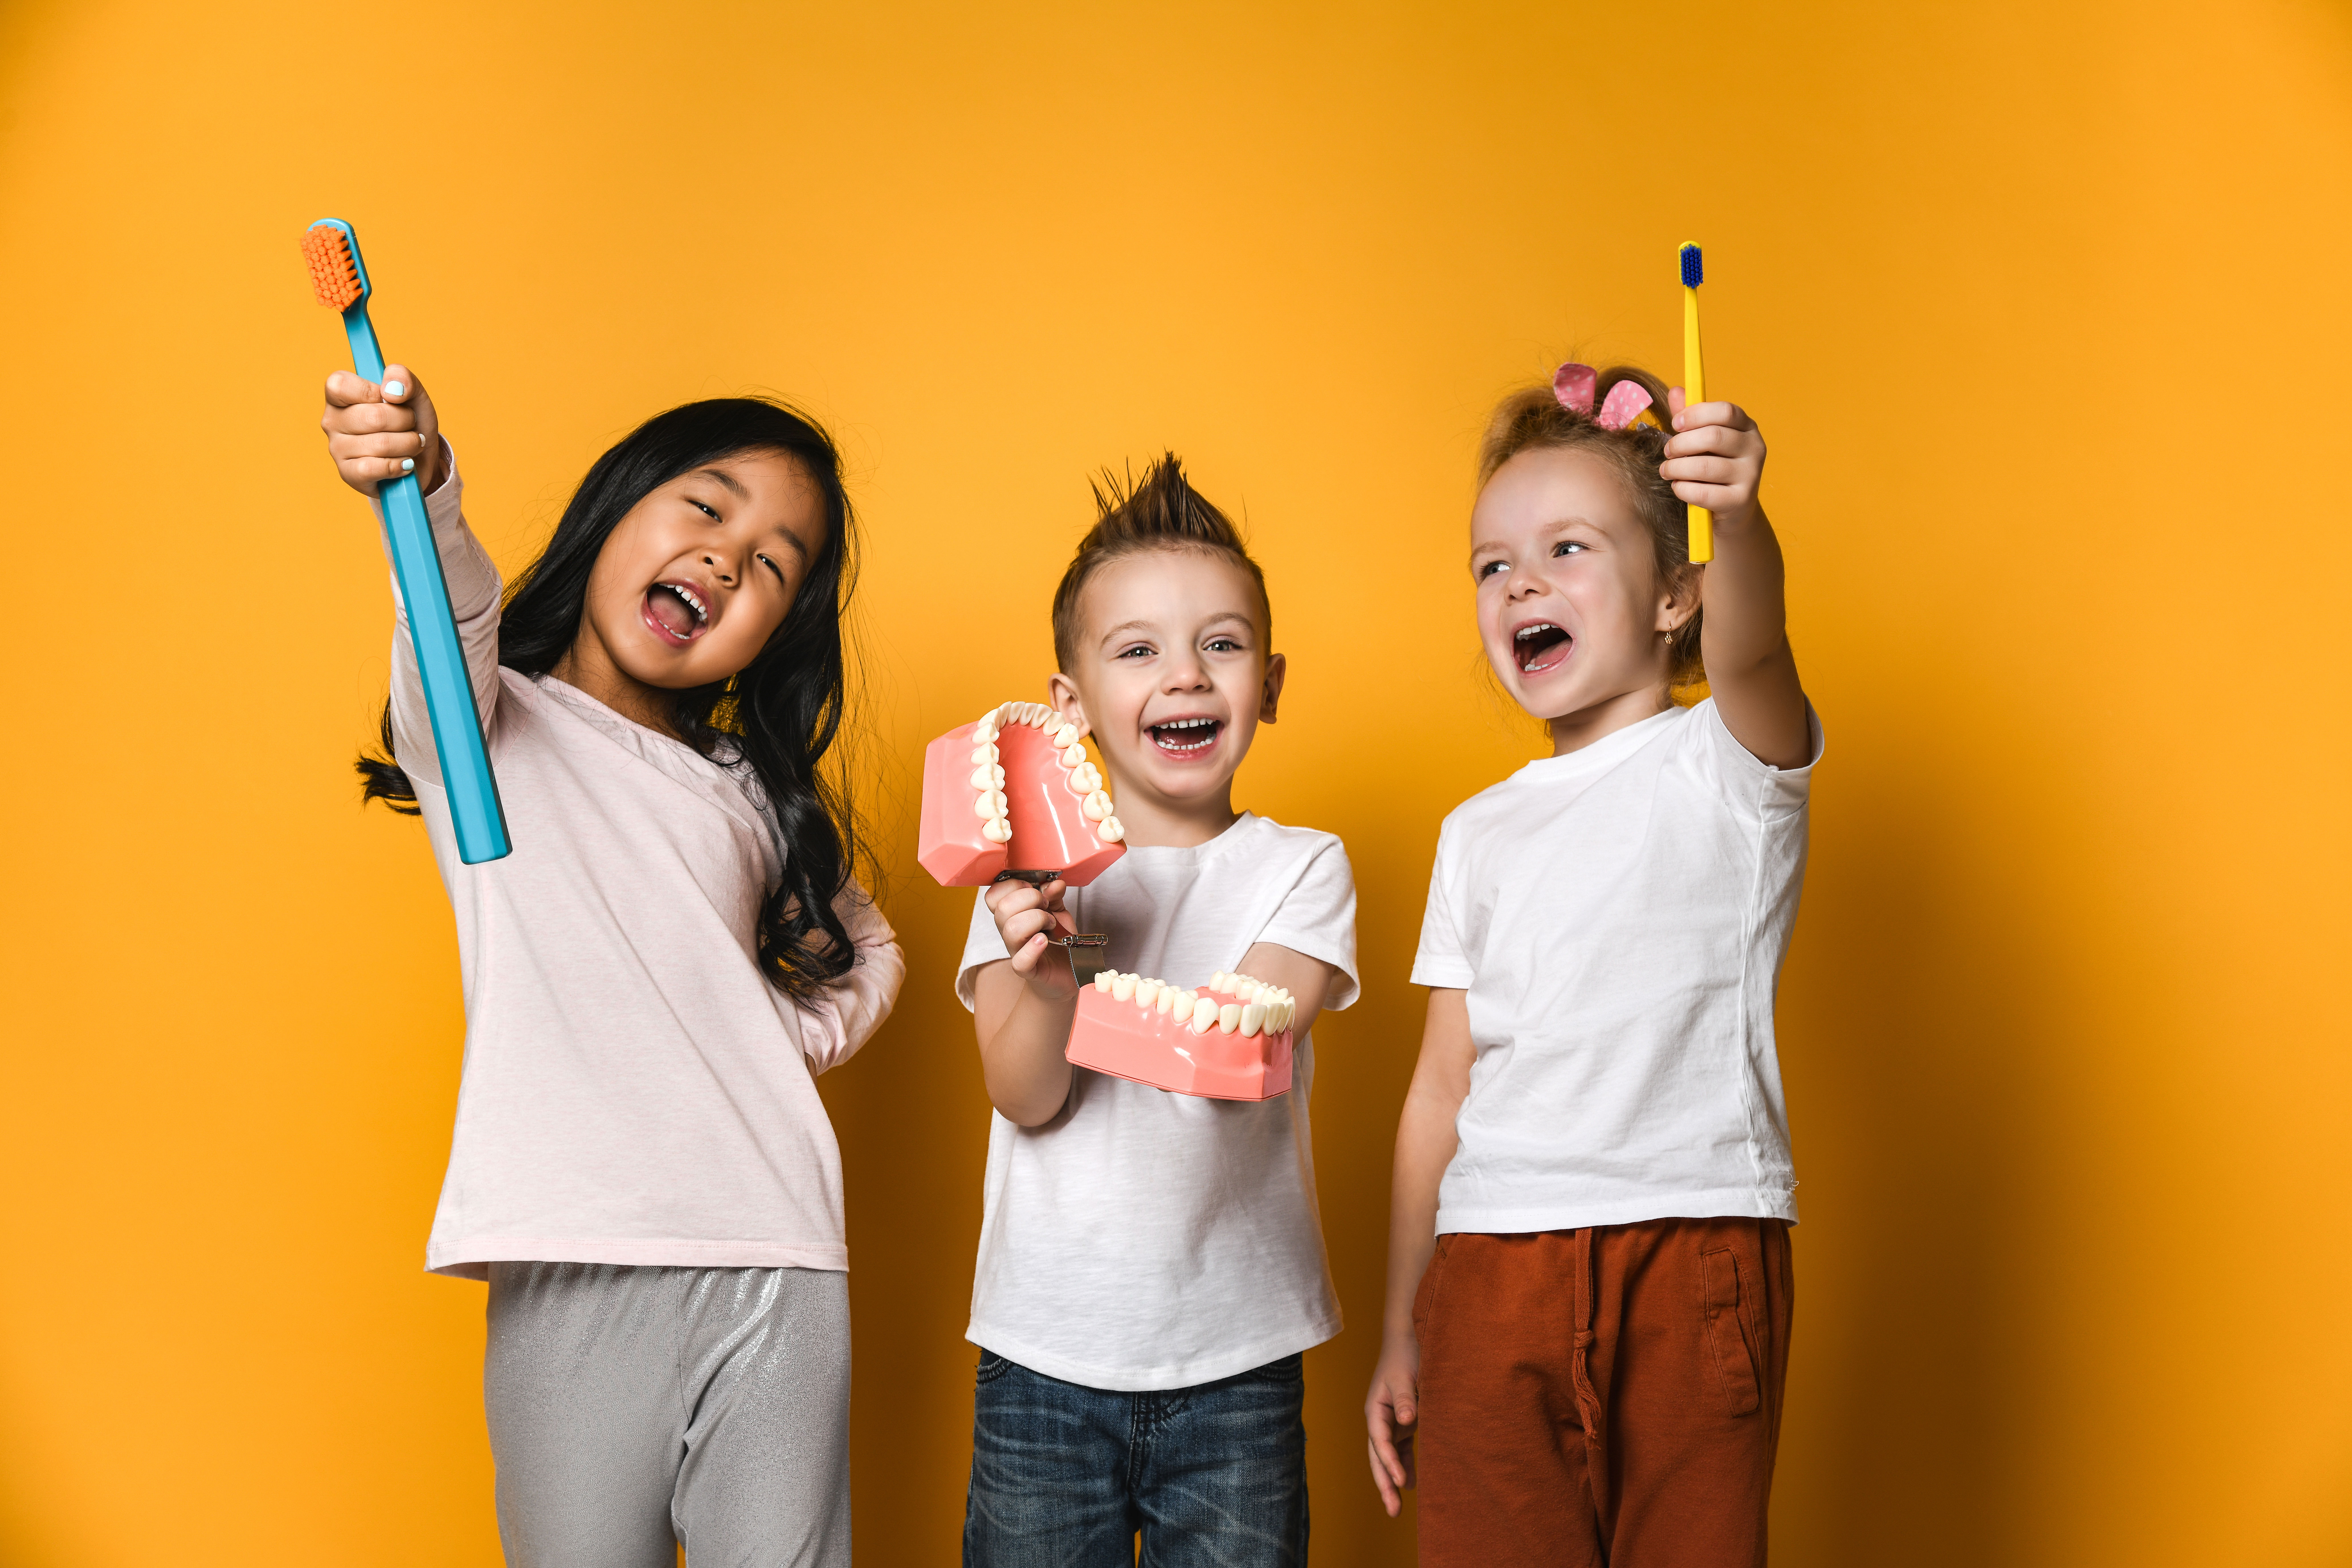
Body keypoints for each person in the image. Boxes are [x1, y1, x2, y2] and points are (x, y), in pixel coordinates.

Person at [317, 365, 903, 1568]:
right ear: (616, 509)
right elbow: (452, 609)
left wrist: (778, 1036)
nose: (732, 558)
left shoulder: (749, 791)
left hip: (776, 1254)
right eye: (708, 507)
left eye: (776, 564)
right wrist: (427, 490)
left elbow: (874, 945)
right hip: (571, 1257)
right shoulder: (481, 730)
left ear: (775, 634)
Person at [1363, 365, 1819, 1567]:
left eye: (1568, 548)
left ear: (1678, 597)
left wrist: (1743, 515)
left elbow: (1759, 646)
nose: (1521, 582)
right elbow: (1437, 1093)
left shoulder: (1728, 762)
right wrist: (1403, 1325)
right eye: (1493, 563)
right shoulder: (1476, 831)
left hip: (1695, 1243)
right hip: (1488, 1267)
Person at [957, 456, 1356, 1567]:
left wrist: (1091, 980)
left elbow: (1246, 1037)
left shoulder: (1302, 866)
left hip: (1239, 1361)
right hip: (1043, 1357)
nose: (1184, 674)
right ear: (1070, 704)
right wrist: (1046, 968)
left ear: (1269, 683)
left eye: (1220, 644)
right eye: (1139, 649)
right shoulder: (1025, 880)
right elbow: (1027, 1095)